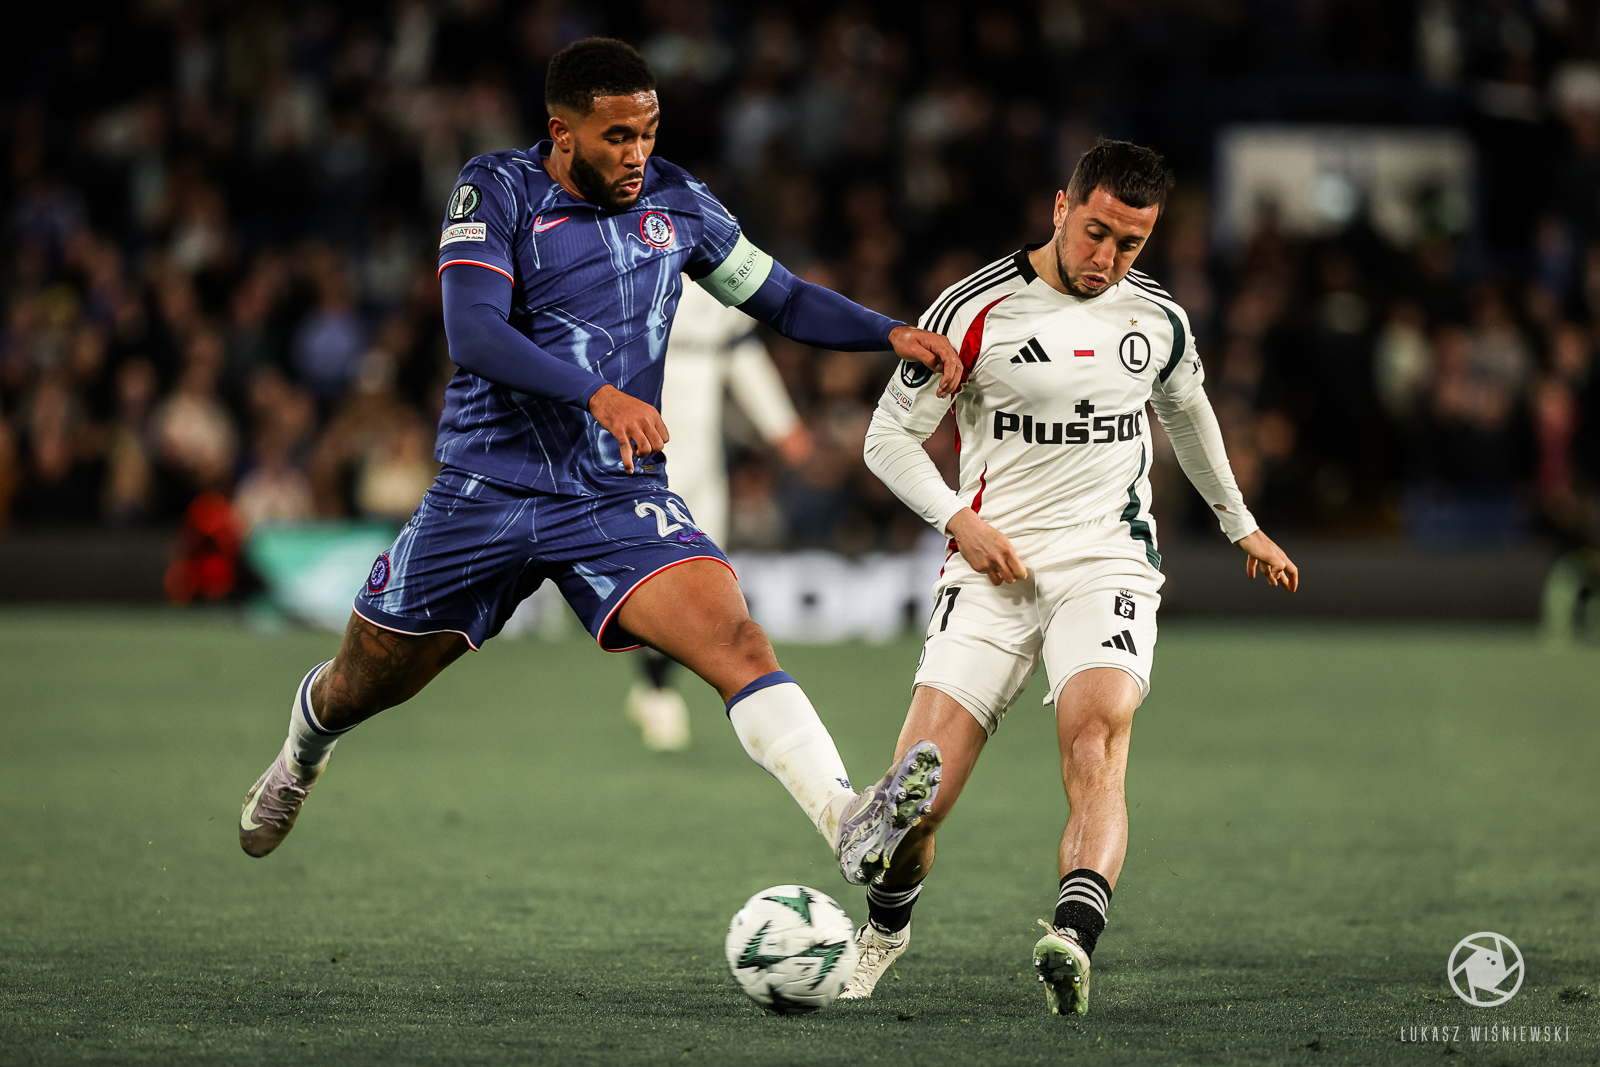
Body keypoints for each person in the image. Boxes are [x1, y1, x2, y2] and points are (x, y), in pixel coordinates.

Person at [236, 38, 955, 889]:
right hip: (490, 484)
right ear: (562, 132)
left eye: (648, 133)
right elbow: (473, 331)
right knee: (362, 684)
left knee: (738, 639)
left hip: (614, 493)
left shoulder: (681, 203)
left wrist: (887, 330)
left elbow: (784, 297)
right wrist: (597, 395)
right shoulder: (496, 188)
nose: (637, 153)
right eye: (617, 136)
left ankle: (846, 818)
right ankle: (300, 753)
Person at [836, 140, 1299, 1014]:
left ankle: (1073, 937)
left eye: (1130, 243)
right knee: (914, 804)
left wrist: (1239, 522)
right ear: (1061, 206)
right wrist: (959, 520)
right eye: (1095, 232)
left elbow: (1188, 411)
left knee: (1096, 737)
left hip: (1106, 558)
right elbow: (886, 438)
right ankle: (887, 926)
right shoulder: (972, 310)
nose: (1106, 259)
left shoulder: (1157, 318)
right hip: (990, 568)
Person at [626, 278, 813, 752]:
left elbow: (743, 356)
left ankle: (656, 685)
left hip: (704, 465)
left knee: (706, 580)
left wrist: (782, 425)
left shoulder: (719, 281)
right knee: (654, 576)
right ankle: (658, 690)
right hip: (642, 461)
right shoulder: (634, 274)